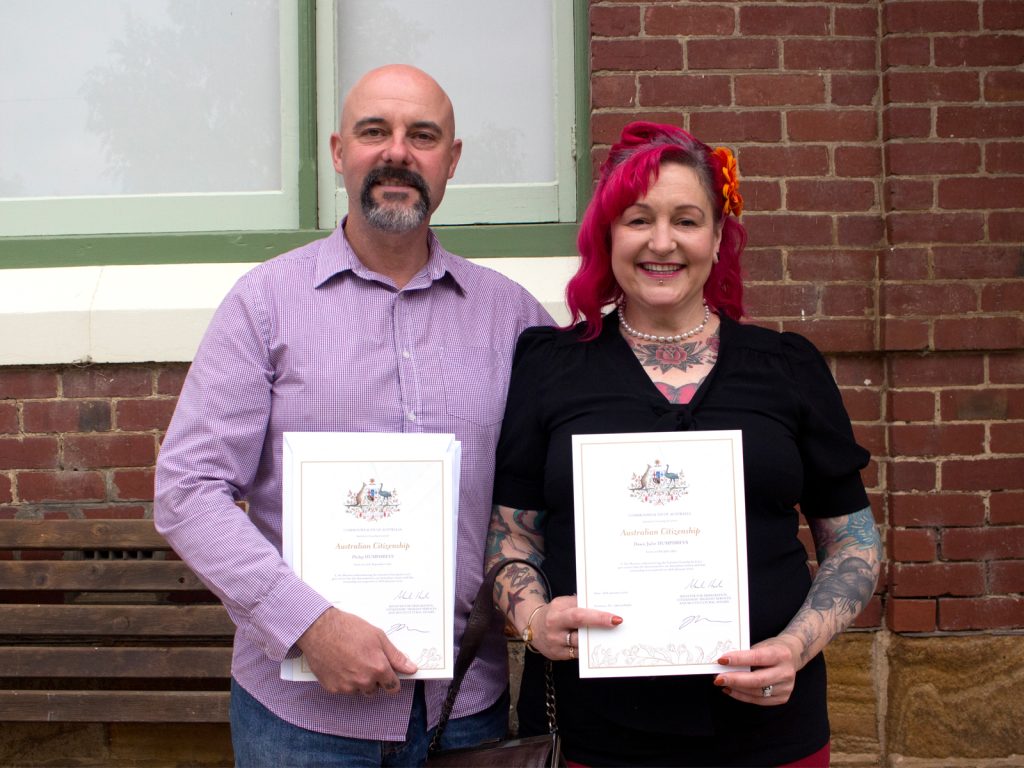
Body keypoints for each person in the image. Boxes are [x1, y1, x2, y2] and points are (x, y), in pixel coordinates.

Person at [154, 64, 553, 767]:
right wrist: (309, 624)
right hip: (300, 722)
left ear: (451, 160)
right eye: (375, 132)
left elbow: (555, 485)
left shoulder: (513, 318)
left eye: (421, 135)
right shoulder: (264, 304)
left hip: (462, 705)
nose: (397, 152)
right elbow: (188, 491)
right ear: (340, 152)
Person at [486, 121, 882, 767]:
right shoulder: (549, 364)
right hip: (591, 732)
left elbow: (855, 543)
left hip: (767, 731)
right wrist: (532, 617)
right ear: (607, 235)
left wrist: (798, 646)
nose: (662, 242)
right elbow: (510, 539)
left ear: (718, 237)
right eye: (638, 219)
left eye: (687, 220)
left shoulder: (787, 366)